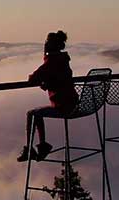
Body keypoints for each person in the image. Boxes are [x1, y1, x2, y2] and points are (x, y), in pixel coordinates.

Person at [17, 30, 79, 162]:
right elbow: (60, 79)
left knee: (32, 114)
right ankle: (41, 146)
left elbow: (33, 78)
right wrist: (49, 83)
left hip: (63, 106)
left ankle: (33, 148)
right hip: (73, 102)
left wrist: (45, 80)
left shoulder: (51, 61)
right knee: (36, 113)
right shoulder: (63, 60)